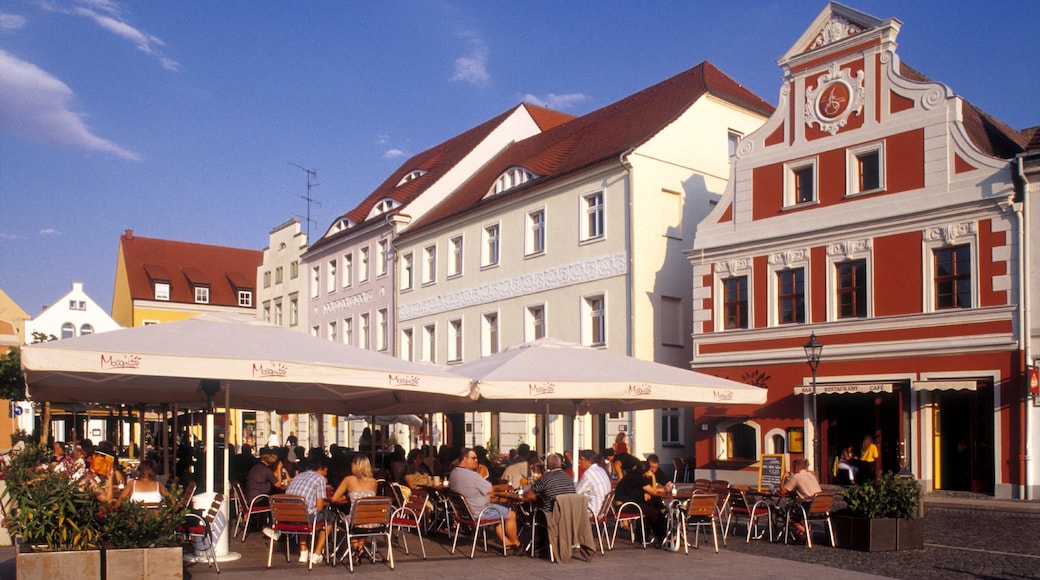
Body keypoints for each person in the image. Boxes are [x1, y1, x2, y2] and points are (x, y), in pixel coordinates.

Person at [449, 447, 522, 554]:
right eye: (473, 458)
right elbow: (490, 489)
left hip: (463, 513)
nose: (476, 461)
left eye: (476, 458)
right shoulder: (473, 476)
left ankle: (507, 544)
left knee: (499, 512)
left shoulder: (453, 473)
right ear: (464, 459)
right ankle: (516, 544)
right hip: (480, 512)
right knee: (511, 514)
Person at [274, 456, 329, 566]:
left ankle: (303, 552)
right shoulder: (320, 479)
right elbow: (319, 507)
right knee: (330, 517)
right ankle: (317, 553)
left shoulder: (299, 476)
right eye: (326, 471)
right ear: (322, 468)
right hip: (304, 517)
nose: (326, 474)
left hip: (287, 517)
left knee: (303, 512)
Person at [331, 455, 380, 561]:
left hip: (355, 521)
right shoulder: (374, 482)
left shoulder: (349, 480)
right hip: (372, 520)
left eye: (352, 464)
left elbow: (334, 499)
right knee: (364, 518)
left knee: (349, 521)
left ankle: (356, 548)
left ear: (356, 466)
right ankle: (359, 548)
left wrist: (347, 497)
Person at [613, 459, 667, 547]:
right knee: (656, 512)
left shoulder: (630, 475)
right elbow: (653, 492)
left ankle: (644, 536)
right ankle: (662, 537)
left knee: (649, 508)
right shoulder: (639, 478)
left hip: (621, 505)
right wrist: (653, 476)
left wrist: (644, 494)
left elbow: (635, 491)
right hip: (625, 507)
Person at [780, 457, 822, 539]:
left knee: (783, 513)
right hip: (820, 507)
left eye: (793, 467)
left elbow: (782, 492)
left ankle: (804, 530)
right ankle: (801, 532)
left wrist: (784, 478)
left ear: (796, 467)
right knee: (796, 510)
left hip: (807, 507)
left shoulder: (796, 477)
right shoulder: (811, 475)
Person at [575, 450, 611, 514]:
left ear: (588, 461)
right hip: (603, 509)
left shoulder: (588, 474)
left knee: (566, 504)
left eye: (581, 459)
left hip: (592, 510)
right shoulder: (600, 470)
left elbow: (576, 493)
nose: (579, 461)